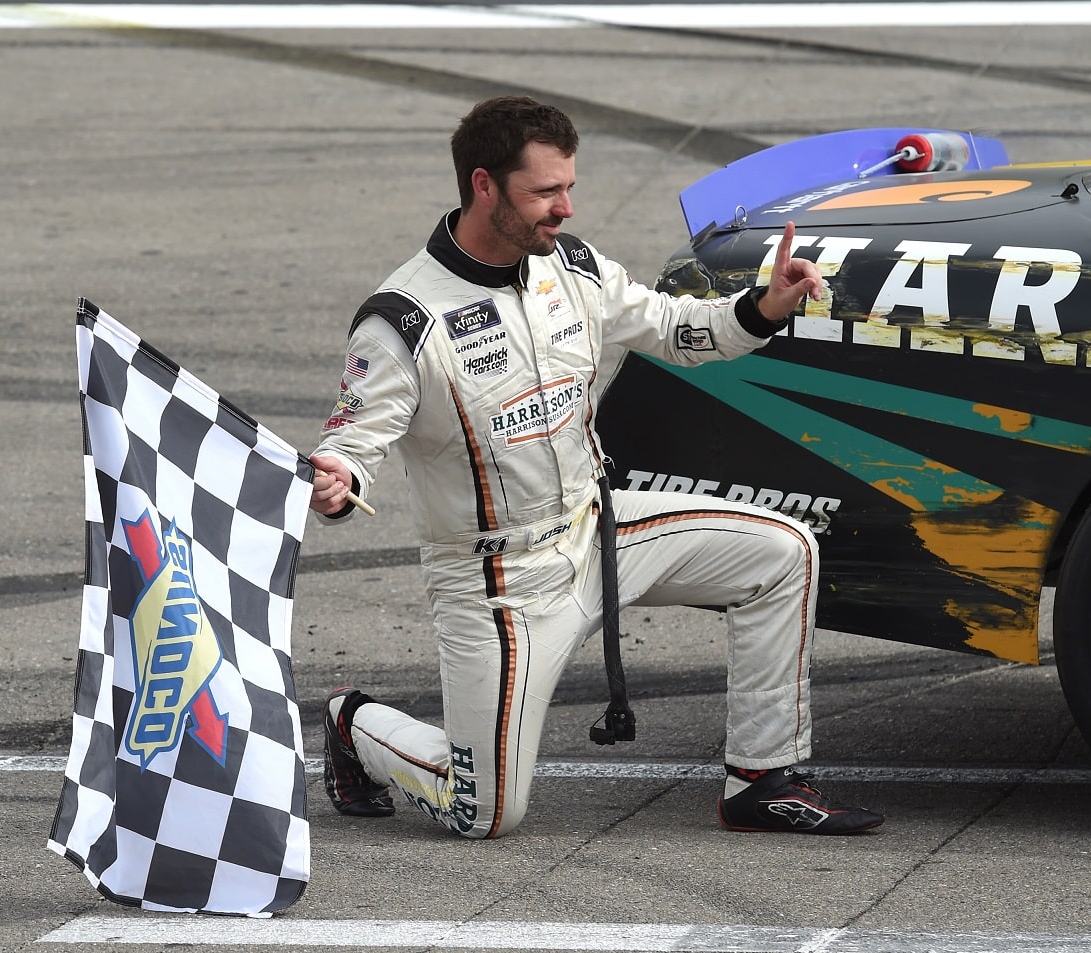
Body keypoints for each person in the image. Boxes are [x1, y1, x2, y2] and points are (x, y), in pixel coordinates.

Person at [309, 94, 883, 839]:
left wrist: (766, 305)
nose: (565, 208)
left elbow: (681, 331)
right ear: (484, 186)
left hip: (595, 532)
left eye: (568, 187)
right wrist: (335, 482)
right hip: (498, 586)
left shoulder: (572, 267)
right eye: (545, 192)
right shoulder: (402, 320)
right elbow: (350, 446)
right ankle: (353, 721)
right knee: (483, 813)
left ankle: (762, 780)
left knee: (784, 550)